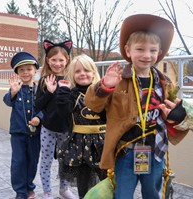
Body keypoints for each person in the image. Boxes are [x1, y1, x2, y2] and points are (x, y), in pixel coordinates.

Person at [84, 14, 189, 199]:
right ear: (128, 50)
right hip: (126, 151)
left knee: (152, 194)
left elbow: (179, 120)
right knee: (123, 194)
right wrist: (105, 86)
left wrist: (178, 115)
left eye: (152, 50)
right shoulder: (118, 80)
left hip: (155, 152)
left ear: (159, 52)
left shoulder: (165, 84)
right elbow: (92, 104)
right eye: (140, 49)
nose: (147, 55)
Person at [56, 54, 107, 199]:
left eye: (86, 70)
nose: (82, 74)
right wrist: (63, 93)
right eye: (78, 71)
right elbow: (63, 113)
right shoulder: (71, 94)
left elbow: (109, 115)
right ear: (73, 75)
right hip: (79, 145)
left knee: (106, 180)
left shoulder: (101, 93)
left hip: (102, 143)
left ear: (93, 73)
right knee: (83, 182)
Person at [35, 39, 76, 199]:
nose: (57, 63)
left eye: (61, 60)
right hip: (48, 129)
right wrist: (49, 92)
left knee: (64, 161)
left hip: (66, 129)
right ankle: (47, 192)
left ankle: (64, 189)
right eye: (54, 60)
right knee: (45, 161)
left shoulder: (71, 80)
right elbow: (38, 105)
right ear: (47, 60)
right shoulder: (44, 80)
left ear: (67, 60)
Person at [3, 52, 42, 199]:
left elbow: (44, 108)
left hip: (35, 134)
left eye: (29, 69)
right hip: (18, 133)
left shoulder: (39, 89)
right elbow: (7, 101)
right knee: (18, 162)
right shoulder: (16, 88)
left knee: (32, 161)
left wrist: (39, 117)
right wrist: (13, 92)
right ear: (17, 73)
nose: (25, 72)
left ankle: (29, 188)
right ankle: (20, 191)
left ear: (35, 71)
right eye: (21, 70)